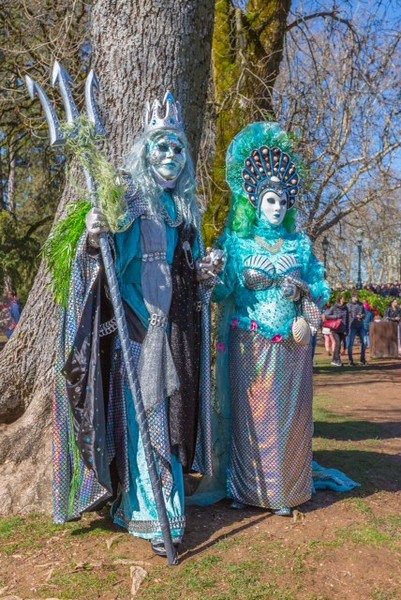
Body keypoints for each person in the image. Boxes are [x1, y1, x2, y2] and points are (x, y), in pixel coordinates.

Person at [54, 92, 220, 557]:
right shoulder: (126, 197)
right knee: (144, 421)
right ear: (145, 151)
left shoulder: (183, 212)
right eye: (161, 146)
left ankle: (154, 509)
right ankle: (153, 514)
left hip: (171, 334)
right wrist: (94, 232)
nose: (170, 156)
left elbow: (185, 275)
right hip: (133, 330)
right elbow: (96, 266)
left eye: (178, 148)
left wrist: (203, 275)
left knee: (162, 422)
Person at [212, 122, 330, 516]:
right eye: (269, 201)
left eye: (282, 201)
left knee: (289, 418)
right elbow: (222, 291)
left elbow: (318, 287)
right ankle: (247, 490)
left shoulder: (300, 244)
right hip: (249, 343)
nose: (277, 208)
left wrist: (309, 319)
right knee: (254, 417)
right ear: (255, 202)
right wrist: (209, 276)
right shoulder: (237, 243)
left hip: (294, 346)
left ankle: (287, 491)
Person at [323, 295, 348, 367]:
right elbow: (326, 315)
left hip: (343, 329)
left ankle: (334, 360)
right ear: (340, 299)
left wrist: (347, 329)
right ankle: (337, 360)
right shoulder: (334, 307)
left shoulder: (346, 308)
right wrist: (336, 316)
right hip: (335, 329)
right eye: (343, 298)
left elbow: (347, 319)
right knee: (338, 344)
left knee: (339, 345)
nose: (344, 300)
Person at [346, 292, 366, 365]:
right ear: (352, 297)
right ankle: (350, 360)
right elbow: (347, 316)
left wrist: (362, 315)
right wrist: (355, 316)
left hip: (360, 325)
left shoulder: (361, 305)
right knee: (350, 344)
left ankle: (363, 359)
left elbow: (364, 314)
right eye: (356, 297)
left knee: (365, 342)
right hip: (352, 326)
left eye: (358, 297)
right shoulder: (348, 305)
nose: (357, 298)